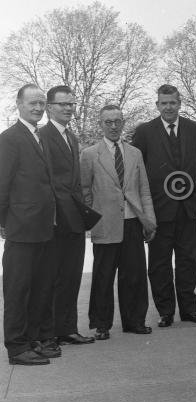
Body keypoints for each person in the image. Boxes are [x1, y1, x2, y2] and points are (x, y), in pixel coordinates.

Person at [132, 84, 196, 328]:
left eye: (172, 102)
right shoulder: (144, 132)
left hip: (187, 210)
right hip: (158, 211)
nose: (168, 107)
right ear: (157, 105)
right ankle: (166, 312)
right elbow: (138, 171)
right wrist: (144, 212)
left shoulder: (194, 130)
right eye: (163, 103)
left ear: (179, 104)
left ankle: (189, 310)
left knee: (189, 261)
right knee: (159, 264)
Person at [80, 105, 157, 340]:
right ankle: (102, 325)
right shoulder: (90, 154)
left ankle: (135, 321)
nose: (113, 126)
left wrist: (149, 220)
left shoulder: (134, 154)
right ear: (101, 124)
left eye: (117, 121)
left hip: (133, 222)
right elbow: (84, 191)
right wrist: (93, 220)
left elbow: (144, 190)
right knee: (103, 277)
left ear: (123, 123)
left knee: (134, 275)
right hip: (105, 224)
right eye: (108, 122)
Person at [0, 85, 57, 365]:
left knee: (38, 288)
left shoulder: (39, 137)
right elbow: (2, 185)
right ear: (19, 104)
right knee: (17, 290)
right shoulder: (9, 139)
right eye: (32, 103)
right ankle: (16, 347)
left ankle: (32, 340)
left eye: (42, 104)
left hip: (43, 229)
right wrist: (5, 223)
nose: (38, 108)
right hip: (21, 229)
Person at [39, 86, 95, 346]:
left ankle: (67, 328)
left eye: (71, 104)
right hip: (56, 220)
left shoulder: (71, 137)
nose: (68, 108)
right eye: (62, 104)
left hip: (74, 219)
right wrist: (64, 213)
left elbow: (74, 183)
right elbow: (48, 181)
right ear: (49, 107)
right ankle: (48, 332)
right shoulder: (43, 136)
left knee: (72, 277)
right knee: (52, 278)